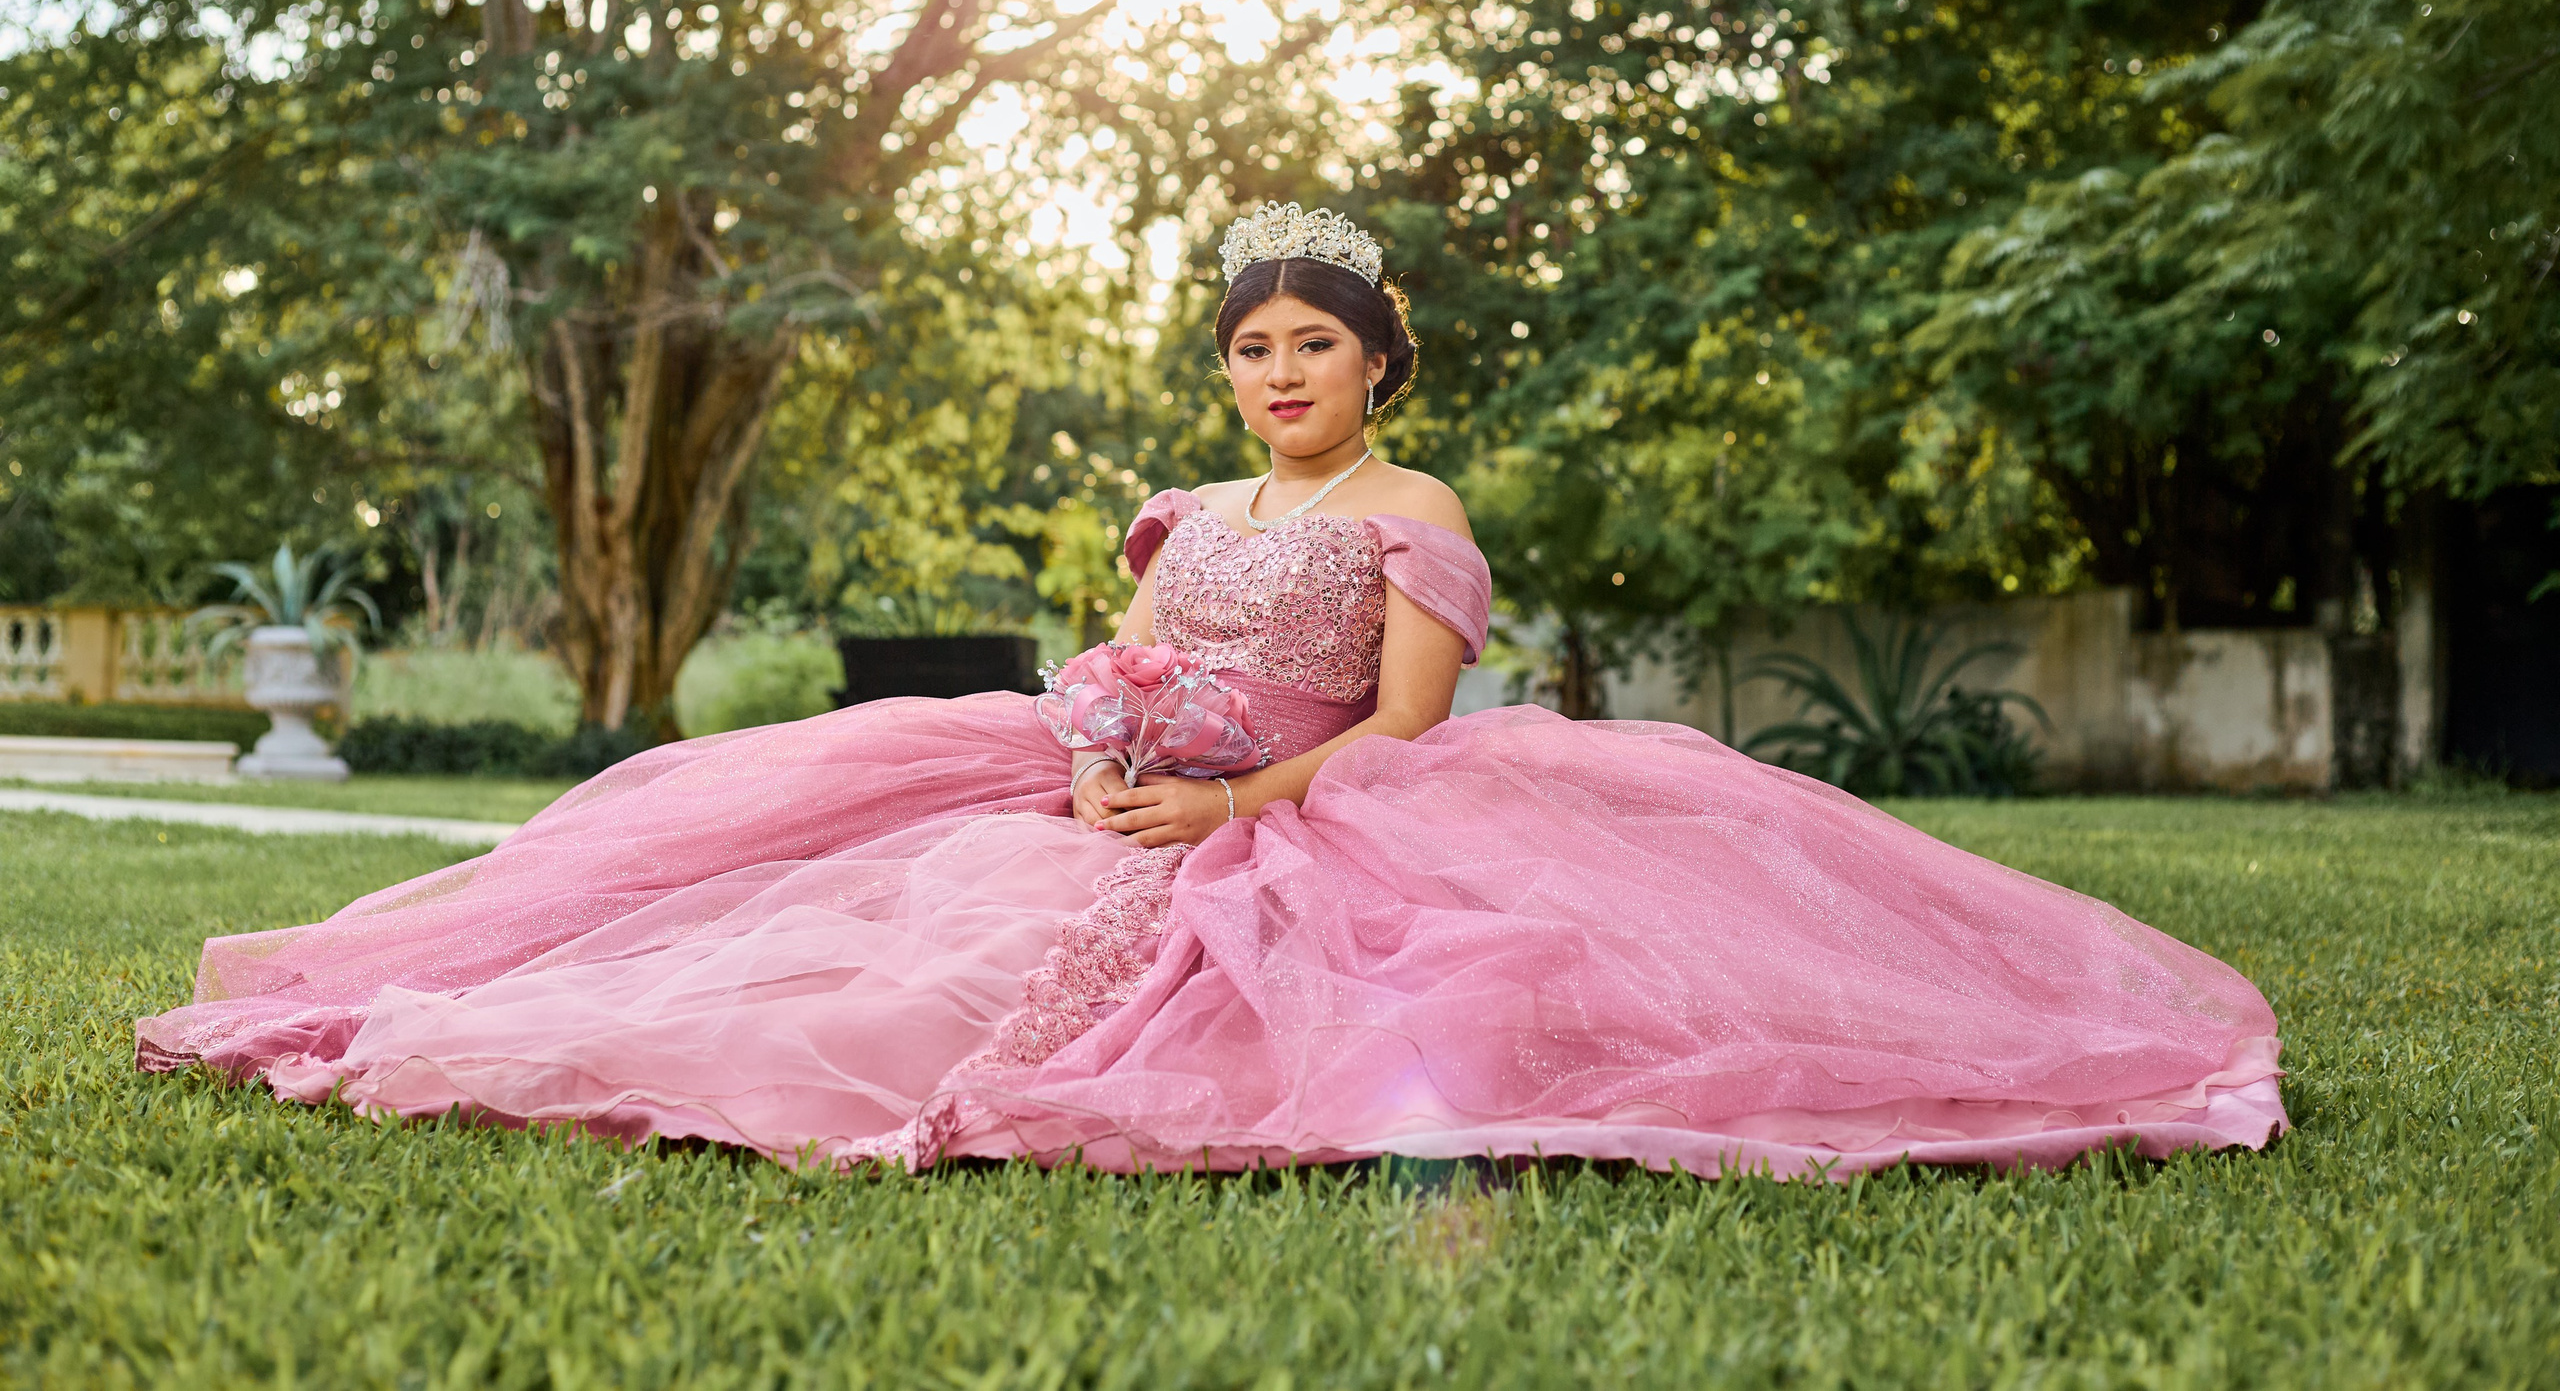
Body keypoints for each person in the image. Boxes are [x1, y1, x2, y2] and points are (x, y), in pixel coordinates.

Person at [137, 203, 2286, 1178]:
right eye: (1250, 347)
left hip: (1323, 812)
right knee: (823, 909)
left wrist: (1228, 810)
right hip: (1122, 787)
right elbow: (1144, 658)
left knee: (1177, 992)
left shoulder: (1410, 507)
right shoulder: (1177, 506)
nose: (1276, 375)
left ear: (1377, 363)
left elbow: (1407, 737)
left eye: (1312, 347)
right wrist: (1105, 746)